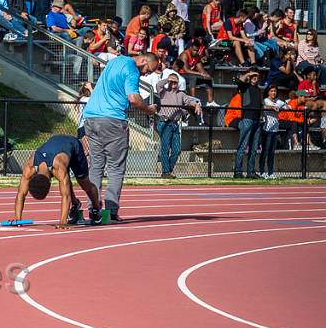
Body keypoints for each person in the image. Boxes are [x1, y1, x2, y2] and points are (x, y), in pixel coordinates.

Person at [81, 52, 159, 222]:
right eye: (148, 69)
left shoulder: (116, 61)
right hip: (113, 120)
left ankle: (93, 208)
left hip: (91, 117)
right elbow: (133, 99)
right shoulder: (132, 71)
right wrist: (149, 110)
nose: (146, 74)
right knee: (116, 167)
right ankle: (111, 211)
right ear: (144, 60)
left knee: (95, 166)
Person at [10, 134, 100, 229]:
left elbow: (66, 195)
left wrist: (62, 222)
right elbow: (21, 193)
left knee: (84, 183)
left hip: (73, 146)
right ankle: (76, 204)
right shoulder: (29, 166)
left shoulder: (58, 167)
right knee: (65, 182)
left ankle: (96, 209)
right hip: (56, 143)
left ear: (50, 182)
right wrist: (17, 219)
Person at [154, 73, 201, 179]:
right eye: (172, 82)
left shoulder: (181, 94)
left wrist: (196, 104)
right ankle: (166, 172)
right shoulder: (164, 92)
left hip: (174, 124)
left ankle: (167, 170)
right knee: (165, 149)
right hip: (165, 122)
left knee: (177, 149)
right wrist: (168, 79)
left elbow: (190, 101)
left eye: (175, 82)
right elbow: (158, 85)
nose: (173, 84)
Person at [233, 69, 263, 178]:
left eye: (256, 76)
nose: (255, 77)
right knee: (242, 146)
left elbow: (261, 105)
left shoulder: (259, 90)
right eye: (253, 76)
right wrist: (249, 74)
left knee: (254, 148)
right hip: (247, 119)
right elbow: (239, 81)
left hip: (256, 120)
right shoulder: (245, 86)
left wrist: (261, 117)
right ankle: (238, 172)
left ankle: (251, 172)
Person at [260, 84, 287, 178]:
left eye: (275, 91)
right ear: (268, 92)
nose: (273, 93)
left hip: (275, 130)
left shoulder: (278, 101)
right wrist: (272, 108)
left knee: (272, 152)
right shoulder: (265, 100)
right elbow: (263, 107)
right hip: (266, 130)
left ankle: (270, 172)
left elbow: (287, 106)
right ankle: (262, 172)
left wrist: (285, 106)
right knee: (265, 151)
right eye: (271, 91)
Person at [181, 41, 214, 106]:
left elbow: (201, 69)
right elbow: (186, 70)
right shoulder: (184, 55)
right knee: (193, 77)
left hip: (191, 75)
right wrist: (200, 74)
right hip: (181, 75)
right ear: (190, 48)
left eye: (197, 50)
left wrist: (206, 74)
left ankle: (210, 102)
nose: (195, 52)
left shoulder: (197, 56)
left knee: (207, 79)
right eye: (194, 50)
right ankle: (193, 101)